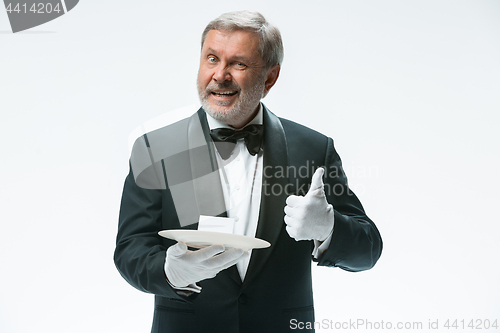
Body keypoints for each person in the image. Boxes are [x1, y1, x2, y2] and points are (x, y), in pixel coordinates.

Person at [114, 10, 382, 333]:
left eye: (238, 64)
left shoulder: (313, 151)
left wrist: (328, 228)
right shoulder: (155, 150)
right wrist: (169, 271)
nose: (220, 75)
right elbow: (130, 249)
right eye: (212, 59)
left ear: (269, 77)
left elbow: (368, 249)